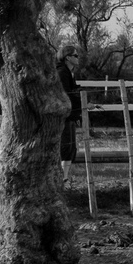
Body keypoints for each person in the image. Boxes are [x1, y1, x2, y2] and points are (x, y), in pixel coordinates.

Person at [56, 47, 82, 184]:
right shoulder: (62, 73)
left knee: (71, 146)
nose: (78, 58)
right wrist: (83, 103)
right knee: (66, 145)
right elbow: (67, 95)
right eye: (75, 55)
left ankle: (64, 177)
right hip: (64, 115)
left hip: (71, 114)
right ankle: (62, 177)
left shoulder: (70, 73)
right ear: (67, 57)